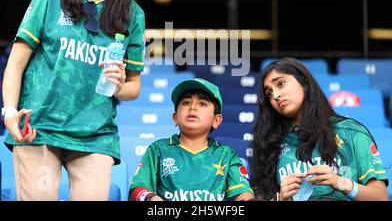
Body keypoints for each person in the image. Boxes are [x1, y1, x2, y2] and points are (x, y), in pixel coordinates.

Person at [1, 0, 145, 201]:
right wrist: (9, 111)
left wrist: (118, 85)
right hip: (39, 126)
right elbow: (16, 62)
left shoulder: (133, 14)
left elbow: (133, 87)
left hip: (95, 133)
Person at [251, 57, 389, 201]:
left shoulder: (351, 131)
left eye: (281, 84)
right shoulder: (268, 145)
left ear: (304, 82)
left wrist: (340, 182)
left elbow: (381, 197)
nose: (276, 95)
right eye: (269, 93)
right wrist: (280, 198)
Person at [129, 78, 255, 201]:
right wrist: (152, 198)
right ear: (175, 118)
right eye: (186, 103)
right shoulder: (158, 149)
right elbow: (137, 190)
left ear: (216, 121)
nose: (192, 107)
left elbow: (243, 193)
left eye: (202, 104)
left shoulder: (226, 154)